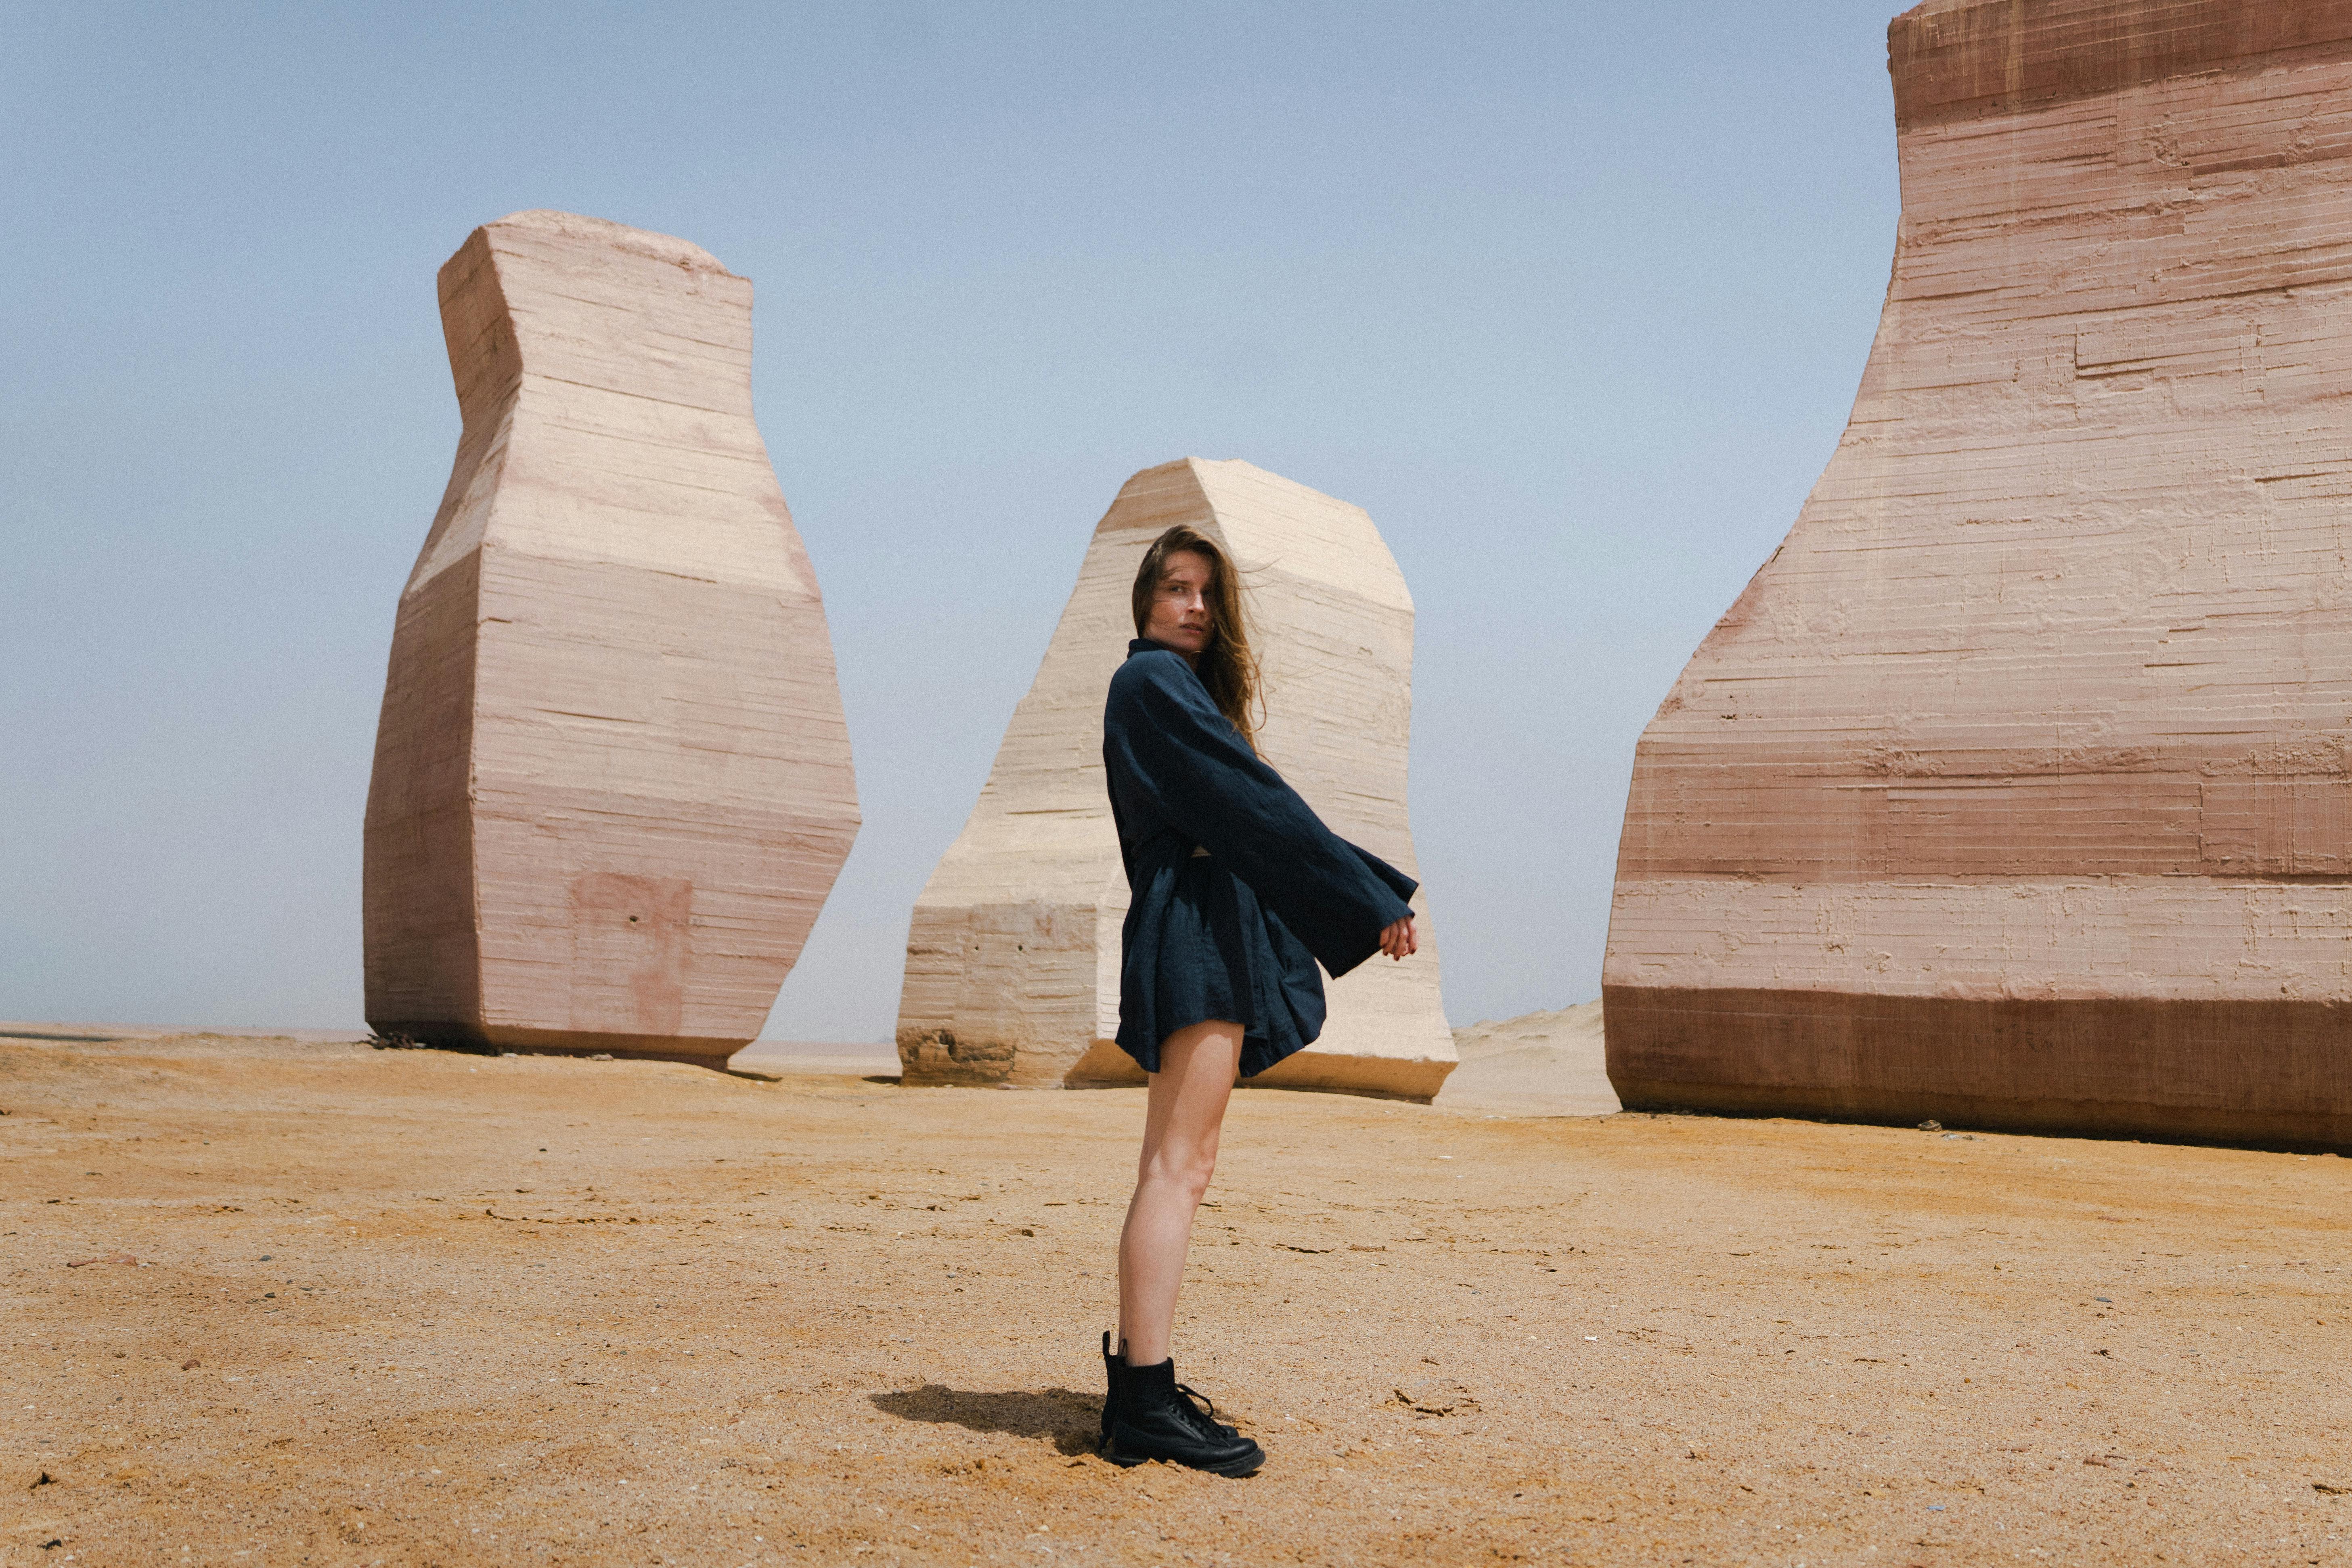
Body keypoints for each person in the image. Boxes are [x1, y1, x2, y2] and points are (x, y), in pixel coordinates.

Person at [1095, 523, 1420, 1476]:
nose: (1195, 606)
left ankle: (1140, 1389)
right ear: (1145, 600)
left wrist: (1366, 888)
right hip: (1193, 929)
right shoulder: (1150, 681)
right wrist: (1365, 899)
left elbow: (1252, 805)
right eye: (1177, 587)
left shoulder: (1169, 689)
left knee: (1173, 1163)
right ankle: (1145, 1398)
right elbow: (1255, 804)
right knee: (1179, 1167)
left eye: (1208, 592)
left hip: (1202, 923)